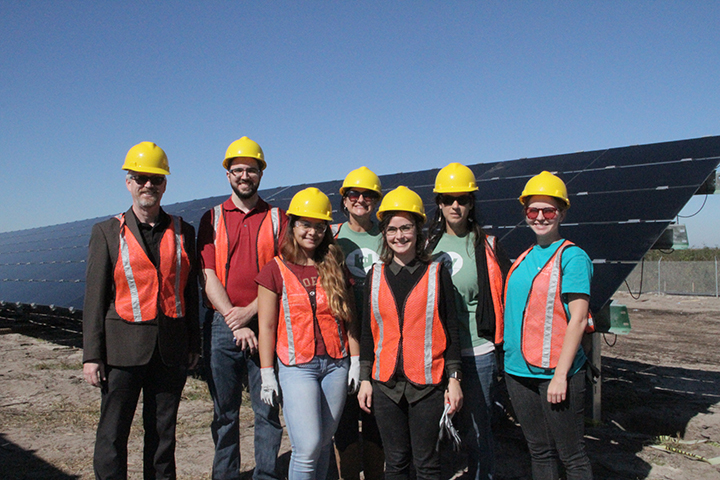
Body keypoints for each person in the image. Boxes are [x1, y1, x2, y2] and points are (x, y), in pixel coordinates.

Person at [82, 142, 200, 480]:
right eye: (140, 178)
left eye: (156, 179)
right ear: (128, 183)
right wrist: (93, 354)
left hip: (170, 350)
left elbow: (189, 292)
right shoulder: (106, 232)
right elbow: (95, 297)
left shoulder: (183, 231)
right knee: (112, 433)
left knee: (163, 435)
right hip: (121, 353)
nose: (148, 185)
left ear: (165, 184)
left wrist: (194, 344)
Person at [357, 186, 463, 480]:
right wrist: (365, 379)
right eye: (392, 229)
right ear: (384, 233)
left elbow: (450, 328)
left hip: (427, 385)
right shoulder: (375, 275)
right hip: (385, 385)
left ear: (418, 230)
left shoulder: (436, 272)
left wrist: (454, 380)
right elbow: (368, 333)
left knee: (427, 463)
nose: (399, 236)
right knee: (396, 462)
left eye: (406, 228)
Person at [197, 136, 286, 480]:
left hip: (266, 322)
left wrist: (251, 312)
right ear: (228, 174)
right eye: (237, 170)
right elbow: (208, 274)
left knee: (266, 410)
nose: (244, 175)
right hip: (223, 325)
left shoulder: (279, 218)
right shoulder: (213, 217)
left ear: (261, 173)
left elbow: (282, 271)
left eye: (251, 169)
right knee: (225, 412)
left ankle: (266, 474)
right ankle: (226, 475)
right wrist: (236, 321)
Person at [257, 187, 360, 480]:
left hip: (336, 365)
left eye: (319, 226)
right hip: (297, 367)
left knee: (324, 443)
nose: (312, 232)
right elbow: (266, 326)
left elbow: (348, 317)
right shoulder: (274, 270)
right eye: (305, 224)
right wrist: (267, 374)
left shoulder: (334, 264)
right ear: (293, 225)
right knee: (308, 446)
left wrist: (354, 360)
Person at [502, 171, 594, 480]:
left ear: (562, 213)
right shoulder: (524, 256)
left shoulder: (572, 257)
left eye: (549, 211)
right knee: (539, 451)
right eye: (533, 211)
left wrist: (561, 376)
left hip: (554, 373)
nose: (540, 217)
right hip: (518, 373)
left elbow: (579, 319)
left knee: (572, 455)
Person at [425, 163, 511, 480]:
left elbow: (509, 294)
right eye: (448, 199)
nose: (455, 206)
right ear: (439, 204)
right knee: (441, 432)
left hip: (478, 353)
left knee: (477, 434)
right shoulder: (427, 248)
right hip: (438, 355)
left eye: (462, 199)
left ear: (471, 202)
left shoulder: (488, 246)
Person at [330, 167, 385, 480]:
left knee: (377, 411)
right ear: (344, 200)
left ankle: (376, 471)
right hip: (344, 338)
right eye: (354, 194)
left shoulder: (389, 236)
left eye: (368, 195)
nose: (361, 200)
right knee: (347, 414)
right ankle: (349, 472)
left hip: (382, 339)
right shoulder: (333, 237)